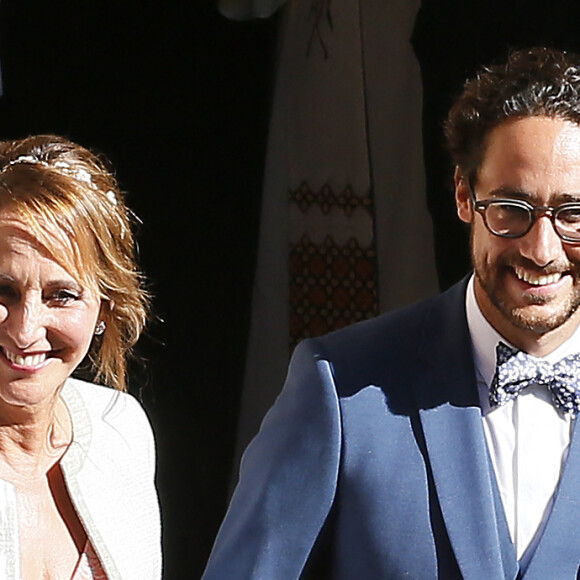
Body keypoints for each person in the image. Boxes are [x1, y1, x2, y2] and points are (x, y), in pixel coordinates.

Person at [202, 46, 580, 579]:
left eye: (573, 214)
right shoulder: (339, 386)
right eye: (511, 210)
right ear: (464, 196)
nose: (542, 249)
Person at [0, 135, 161, 579]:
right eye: (3, 290)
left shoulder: (119, 429)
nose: (25, 328)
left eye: (62, 295)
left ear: (105, 307)